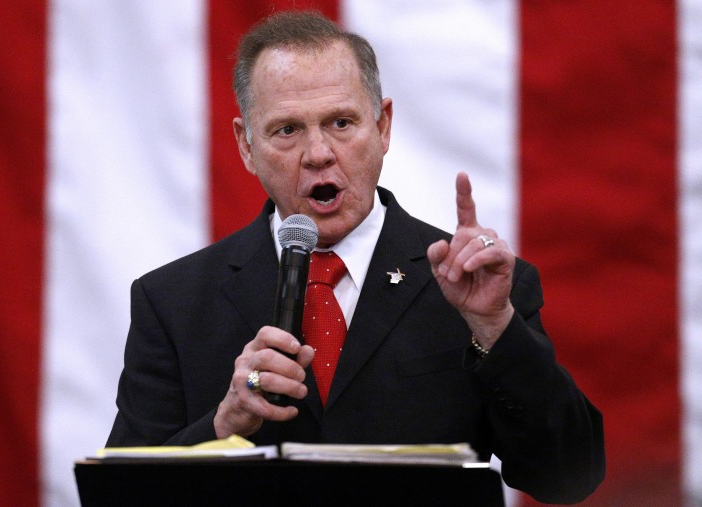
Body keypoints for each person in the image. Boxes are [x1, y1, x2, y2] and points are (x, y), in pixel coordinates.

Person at [107, 10, 605, 503]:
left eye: (341, 122)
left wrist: (495, 329)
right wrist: (224, 424)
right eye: (287, 130)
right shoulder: (171, 302)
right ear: (246, 146)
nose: (318, 152)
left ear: (382, 127)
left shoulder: (477, 290)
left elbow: (569, 476)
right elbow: (119, 498)